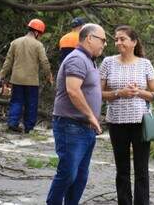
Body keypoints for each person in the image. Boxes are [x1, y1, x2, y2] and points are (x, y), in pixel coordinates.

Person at [100, 25, 154, 205]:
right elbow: (96, 92)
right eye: (116, 39)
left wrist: (139, 93)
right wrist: (119, 93)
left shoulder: (145, 64)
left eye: (122, 39)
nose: (118, 42)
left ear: (133, 42)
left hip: (141, 122)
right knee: (122, 169)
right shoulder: (108, 62)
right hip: (116, 122)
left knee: (142, 169)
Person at [46, 23, 107, 204]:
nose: (104, 44)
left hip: (85, 127)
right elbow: (73, 90)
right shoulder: (77, 59)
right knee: (68, 173)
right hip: (71, 125)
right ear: (90, 38)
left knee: (80, 176)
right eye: (102, 40)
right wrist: (90, 116)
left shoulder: (89, 60)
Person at [0, 18, 53, 134]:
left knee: (16, 101)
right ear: (37, 33)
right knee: (31, 104)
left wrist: (2, 74)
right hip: (31, 81)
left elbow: (8, 61)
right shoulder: (38, 45)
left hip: (16, 79)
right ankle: (29, 127)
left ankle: (13, 123)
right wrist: (49, 75)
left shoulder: (15, 42)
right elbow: (44, 62)